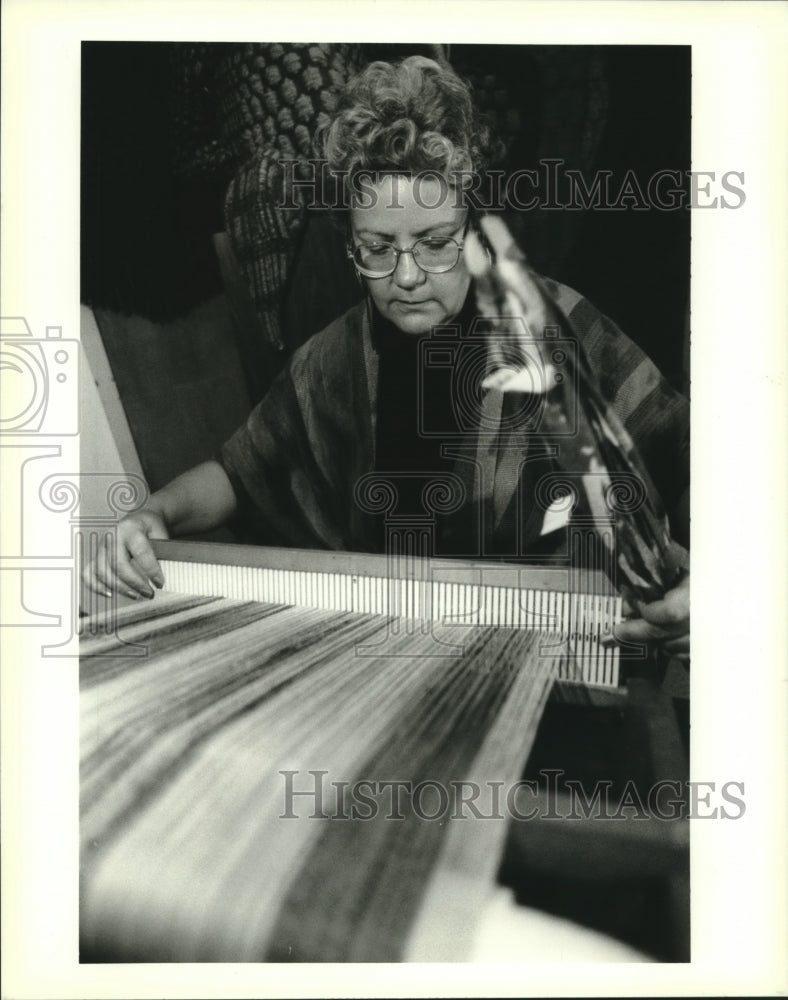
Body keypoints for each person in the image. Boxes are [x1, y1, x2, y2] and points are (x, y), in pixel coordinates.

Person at [82, 56, 689, 657]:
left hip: (563, 650)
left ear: (473, 231)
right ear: (350, 244)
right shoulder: (332, 360)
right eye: (377, 248)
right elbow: (242, 469)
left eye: (433, 244)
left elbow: (693, 462)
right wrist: (153, 512)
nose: (406, 276)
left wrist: (708, 584)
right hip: (395, 658)